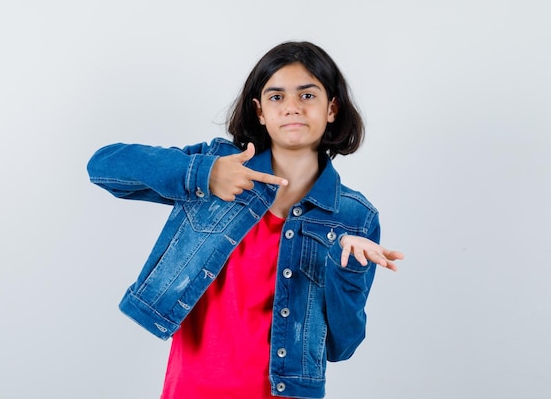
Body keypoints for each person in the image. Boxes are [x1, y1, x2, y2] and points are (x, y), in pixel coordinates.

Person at [87, 41, 404, 399]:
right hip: (192, 390)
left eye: (308, 95)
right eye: (276, 97)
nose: (292, 108)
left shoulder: (355, 217)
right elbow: (103, 167)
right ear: (259, 111)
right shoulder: (221, 168)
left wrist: (348, 269)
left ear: (332, 108)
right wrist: (203, 173)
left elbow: (341, 346)